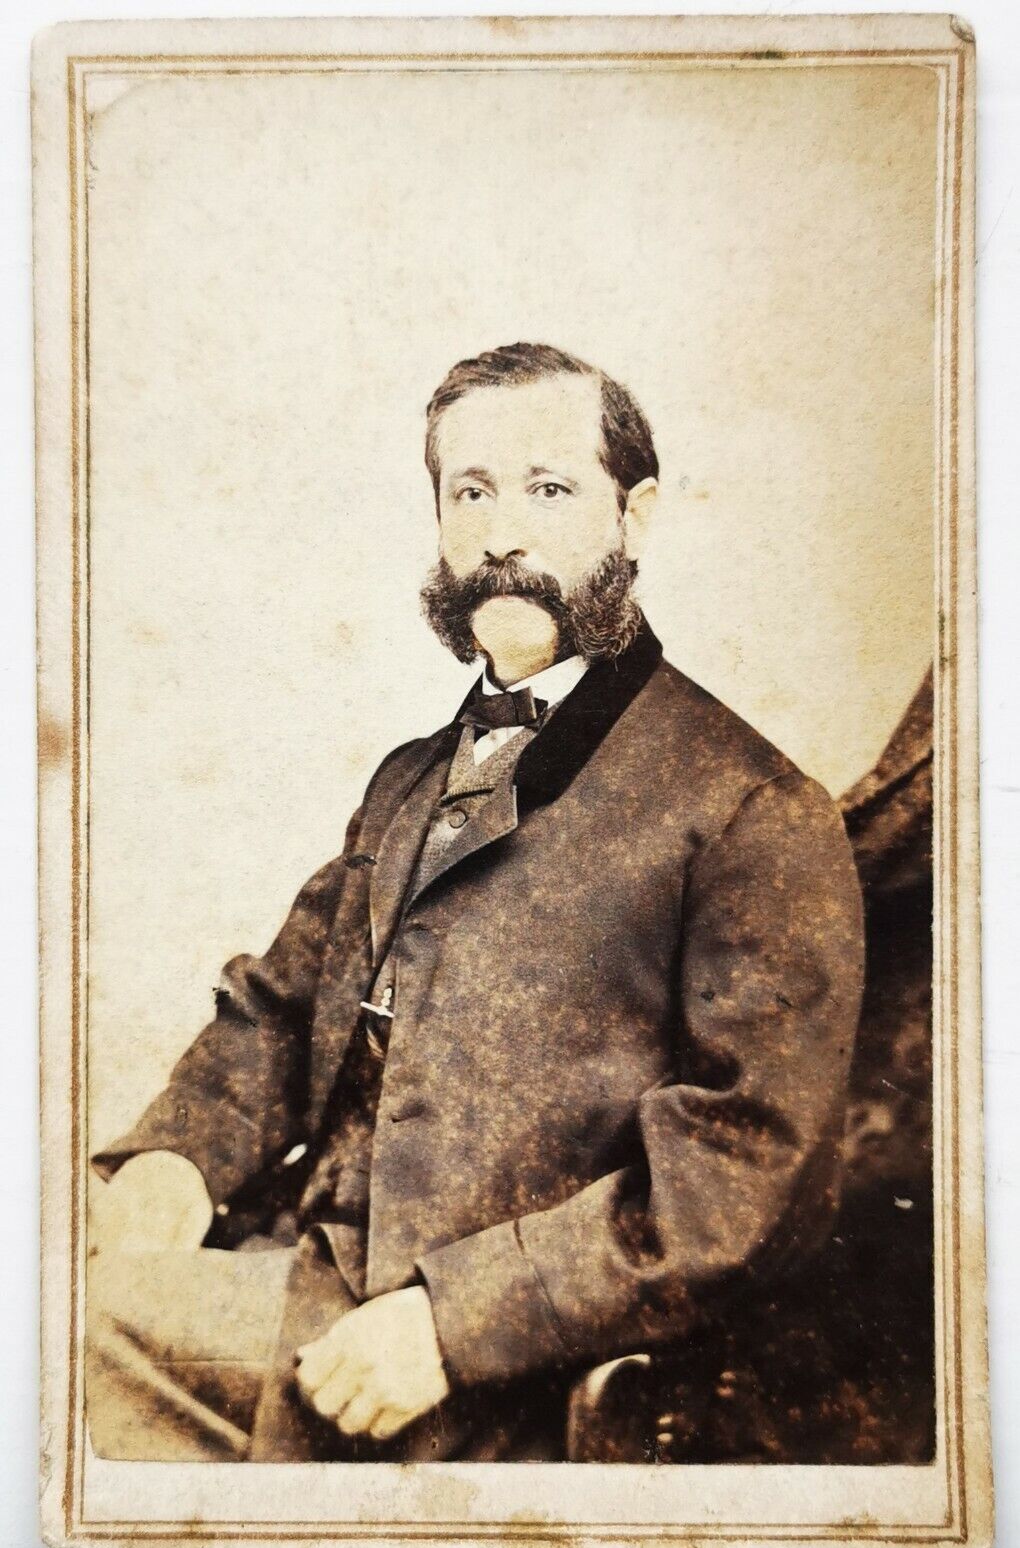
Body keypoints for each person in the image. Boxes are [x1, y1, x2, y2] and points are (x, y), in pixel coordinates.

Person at [87, 342, 864, 1463]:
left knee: (55, 1358)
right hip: (301, 1274)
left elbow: (749, 1178)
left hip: (491, 1368)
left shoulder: (753, 807)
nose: (505, 533)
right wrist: (177, 1162)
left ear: (633, 517)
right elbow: (281, 1008)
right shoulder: (409, 778)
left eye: (549, 490)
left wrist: (456, 1323)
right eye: (472, 492)